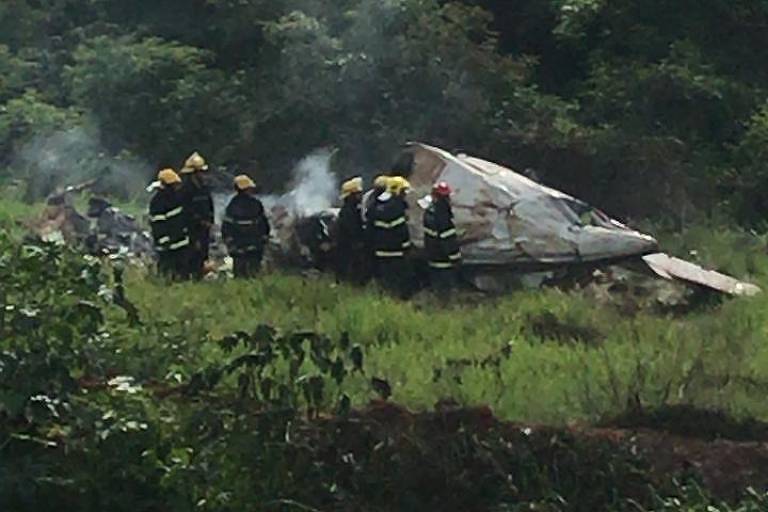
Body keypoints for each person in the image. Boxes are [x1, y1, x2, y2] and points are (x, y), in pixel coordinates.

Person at [221, 175, 271, 278]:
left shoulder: (232, 205)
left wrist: (228, 240)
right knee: (254, 273)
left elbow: (226, 226)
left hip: (238, 245)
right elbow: (263, 223)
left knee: (239, 273)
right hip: (254, 244)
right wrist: (264, 237)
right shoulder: (256, 204)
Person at [371, 176, 412, 297]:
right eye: (403, 191)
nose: (405, 194)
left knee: (385, 282)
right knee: (397, 283)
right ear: (397, 190)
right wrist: (407, 247)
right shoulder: (396, 207)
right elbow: (401, 231)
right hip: (395, 252)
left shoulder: (378, 205)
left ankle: (385, 300)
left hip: (380, 251)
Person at [149, 169, 190, 280]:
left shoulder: (176, 198)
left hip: (179, 242)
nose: (177, 187)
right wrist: (164, 241)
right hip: (167, 244)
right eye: (174, 185)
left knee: (181, 271)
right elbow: (158, 224)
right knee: (166, 269)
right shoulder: (158, 202)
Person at [180, 151, 214, 279]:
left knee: (202, 254)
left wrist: (210, 221)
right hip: (192, 229)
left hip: (204, 229)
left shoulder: (204, 188)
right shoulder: (185, 190)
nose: (202, 175)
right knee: (192, 254)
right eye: (200, 172)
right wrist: (198, 222)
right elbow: (186, 212)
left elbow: (210, 206)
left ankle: (199, 276)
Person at [423, 182, 461, 290]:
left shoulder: (429, 213)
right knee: (445, 290)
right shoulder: (443, 217)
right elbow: (448, 241)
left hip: (432, 258)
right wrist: (456, 259)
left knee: (436, 288)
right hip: (444, 261)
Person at [335, 176, 367, 284]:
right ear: (351, 195)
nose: (360, 196)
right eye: (358, 194)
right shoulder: (348, 212)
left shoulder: (352, 209)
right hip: (348, 247)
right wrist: (359, 241)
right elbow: (353, 230)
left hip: (349, 246)